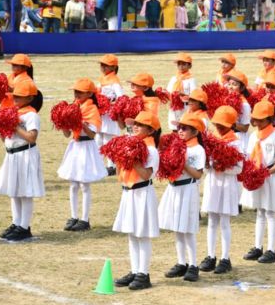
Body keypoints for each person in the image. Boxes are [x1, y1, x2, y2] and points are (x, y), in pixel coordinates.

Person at [113, 111, 161, 290]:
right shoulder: (131, 144)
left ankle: (144, 273)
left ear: (150, 130)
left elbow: (147, 174)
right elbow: (120, 171)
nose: (135, 126)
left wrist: (133, 161)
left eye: (140, 125)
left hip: (142, 193)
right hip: (128, 192)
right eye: (135, 124)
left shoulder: (151, 150)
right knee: (131, 233)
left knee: (142, 234)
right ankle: (134, 270)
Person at [0, 81, 44, 241]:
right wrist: (3, 129)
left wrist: (14, 126)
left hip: (25, 155)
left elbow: (31, 137)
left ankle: (24, 226)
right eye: (15, 95)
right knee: (14, 191)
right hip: (12, 155)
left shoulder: (31, 115)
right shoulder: (14, 112)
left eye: (19, 96)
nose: (15, 98)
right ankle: (16, 223)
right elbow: (7, 138)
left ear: (29, 98)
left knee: (25, 192)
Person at [240, 100, 275, 264]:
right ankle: (258, 246)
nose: (257, 122)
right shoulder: (254, 135)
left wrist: (265, 173)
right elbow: (249, 157)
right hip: (257, 176)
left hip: (269, 177)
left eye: (261, 120)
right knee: (260, 212)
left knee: (270, 213)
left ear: (269, 119)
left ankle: (271, 249)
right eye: (255, 119)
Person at [159, 114, 206, 282]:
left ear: (195, 131)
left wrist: (183, 163)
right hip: (174, 188)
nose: (180, 130)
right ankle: (181, 262)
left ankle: (193, 265)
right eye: (179, 127)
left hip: (188, 188)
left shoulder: (197, 150)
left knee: (187, 228)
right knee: (177, 227)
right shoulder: (175, 145)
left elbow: (198, 174)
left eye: (184, 128)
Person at [57, 78, 107, 232]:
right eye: (75, 91)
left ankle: (85, 219)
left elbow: (93, 135)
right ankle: (73, 216)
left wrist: (81, 123)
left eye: (80, 91)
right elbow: (67, 134)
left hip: (86, 147)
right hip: (75, 146)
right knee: (73, 183)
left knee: (84, 184)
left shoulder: (92, 110)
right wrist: (63, 122)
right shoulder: (74, 107)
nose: (76, 94)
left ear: (90, 94)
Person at [199, 106, 243, 274]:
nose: (219, 127)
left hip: (227, 184)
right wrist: (208, 165)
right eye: (217, 123)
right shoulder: (211, 140)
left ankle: (225, 258)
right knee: (211, 221)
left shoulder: (236, 142)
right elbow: (205, 164)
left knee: (224, 222)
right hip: (212, 183)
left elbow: (239, 168)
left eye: (223, 124)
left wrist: (222, 167)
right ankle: (210, 256)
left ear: (231, 125)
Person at [96, 54, 123, 176]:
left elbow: (121, 98)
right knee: (98, 139)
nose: (102, 67)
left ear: (113, 68)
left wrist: (110, 103)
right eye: (102, 64)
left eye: (106, 65)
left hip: (110, 115)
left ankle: (111, 165)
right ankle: (98, 164)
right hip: (101, 114)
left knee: (108, 140)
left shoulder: (115, 81)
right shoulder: (102, 79)